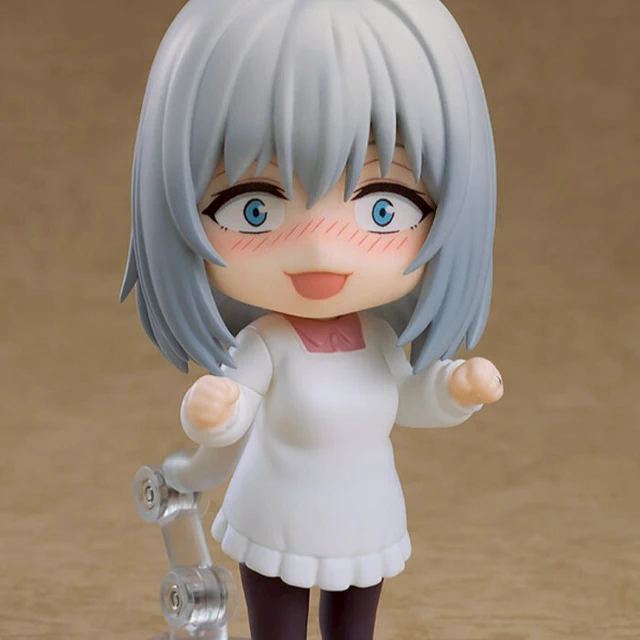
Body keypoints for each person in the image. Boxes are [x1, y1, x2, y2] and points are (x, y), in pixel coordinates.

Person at [120, 0, 503, 638]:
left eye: (383, 207)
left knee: (355, 626)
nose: (322, 248)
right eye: (254, 208)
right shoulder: (267, 345)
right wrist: (211, 412)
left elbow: (408, 399)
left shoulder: (378, 340)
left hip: (365, 517)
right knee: (280, 624)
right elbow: (233, 411)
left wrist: (453, 390)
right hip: (277, 516)